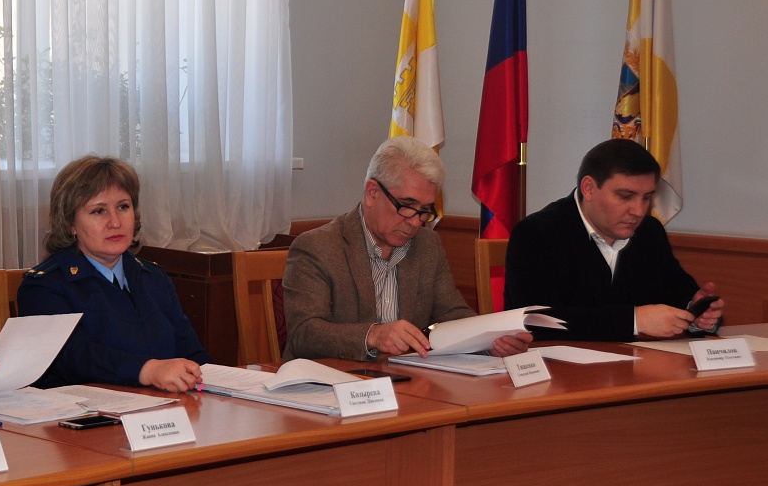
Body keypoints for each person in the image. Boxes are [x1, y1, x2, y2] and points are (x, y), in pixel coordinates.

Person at [282, 136, 532, 361]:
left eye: (424, 210)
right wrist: (373, 335)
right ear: (372, 192)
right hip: (334, 382)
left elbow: (451, 313)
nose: (415, 222)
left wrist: (489, 340)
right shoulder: (318, 247)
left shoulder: (428, 245)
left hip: (406, 380)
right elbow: (304, 333)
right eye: (407, 206)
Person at [17, 156, 211, 391]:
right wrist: (148, 370)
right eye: (98, 211)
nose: (115, 222)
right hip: (86, 410)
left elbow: (192, 353)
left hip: (164, 406)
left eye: (123, 207)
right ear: (70, 224)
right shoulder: (45, 287)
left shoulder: (154, 278)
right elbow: (74, 358)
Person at [504, 138, 724, 341]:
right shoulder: (536, 234)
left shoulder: (649, 232)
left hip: (635, 365)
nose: (638, 211)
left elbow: (677, 291)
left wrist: (697, 313)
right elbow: (538, 320)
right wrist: (634, 321)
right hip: (556, 366)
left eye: (646, 197)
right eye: (625, 196)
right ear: (589, 188)